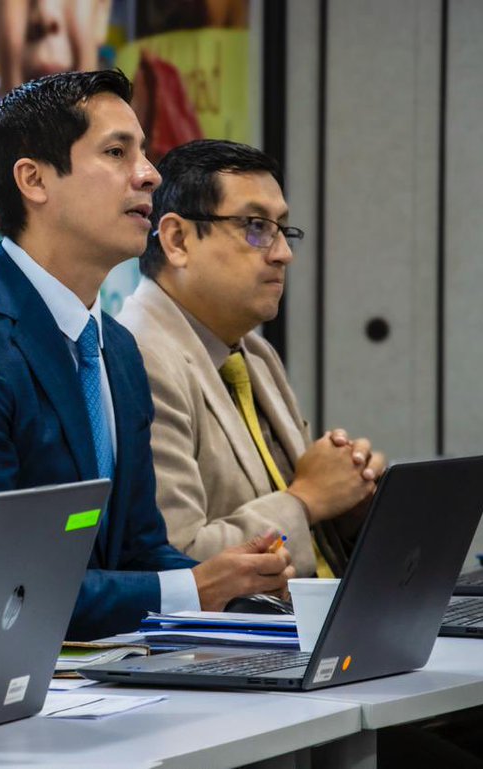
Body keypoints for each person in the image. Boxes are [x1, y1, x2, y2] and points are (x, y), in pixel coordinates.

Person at [0, 70, 294, 640]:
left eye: (143, 152)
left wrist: (239, 587)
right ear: (34, 180)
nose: (149, 174)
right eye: (117, 152)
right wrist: (197, 588)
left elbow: (138, 549)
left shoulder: (115, 348)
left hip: (100, 674)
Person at [115, 139, 385, 576]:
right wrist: (306, 500)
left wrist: (348, 505)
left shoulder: (253, 352)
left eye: (283, 230)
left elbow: (306, 515)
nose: (283, 254)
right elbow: (177, 561)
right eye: (256, 227)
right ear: (178, 240)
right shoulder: (138, 356)